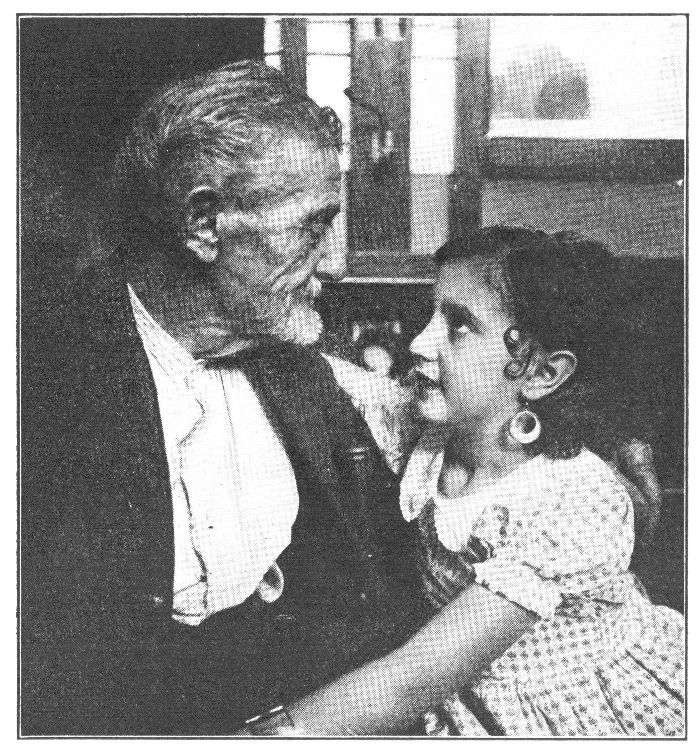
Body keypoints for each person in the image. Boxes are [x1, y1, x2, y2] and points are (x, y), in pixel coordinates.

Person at [20, 61, 424, 736]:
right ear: (204, 225)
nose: (334, 264)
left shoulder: (297, 370)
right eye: (312, 227)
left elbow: (384, 576)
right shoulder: (48, 384)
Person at [268, 227, 684, 737]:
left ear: (542, 374)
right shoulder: (428, 433)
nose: (419, 343)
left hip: (565, 708)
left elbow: (409, 682)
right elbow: (341, 380)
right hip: (452, 677)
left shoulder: (572, 498)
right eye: (430, 317)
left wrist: (271, 737)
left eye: (459, 325)